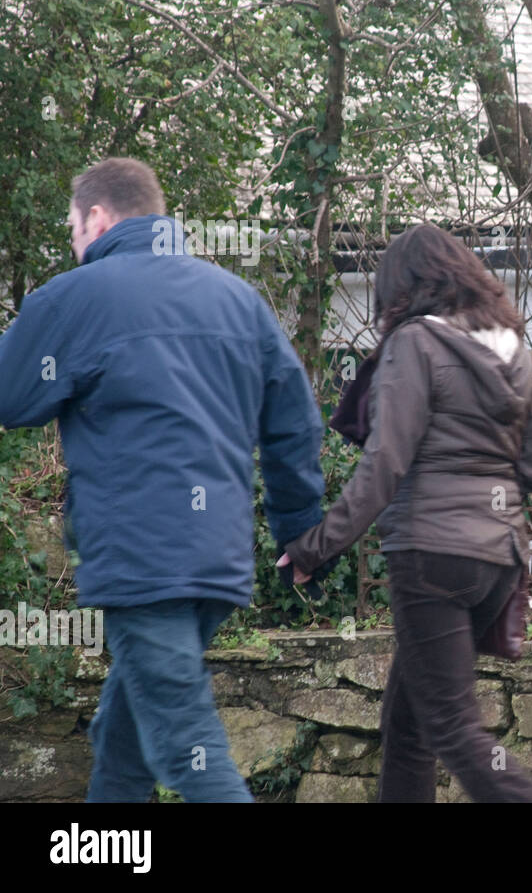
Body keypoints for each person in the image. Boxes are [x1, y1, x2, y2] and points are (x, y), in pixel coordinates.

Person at [0, 157, 327, 802]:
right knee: (122, 747)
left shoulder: (76, 298)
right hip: (218, 564)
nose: (73, 242)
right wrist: (298, 534)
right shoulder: (237, 300)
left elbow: (9, 397)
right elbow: (296, 425)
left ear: (96, 217)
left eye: (72, 226)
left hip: (142, 561)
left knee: (187, 750)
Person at [281, 223, 532, 803]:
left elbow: (385, 462)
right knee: (409, 726)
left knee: (452, 729)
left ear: (404, 287)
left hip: (431, 558)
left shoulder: (413, 344)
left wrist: (315, 547)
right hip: (497, 561)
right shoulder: (513, 349)